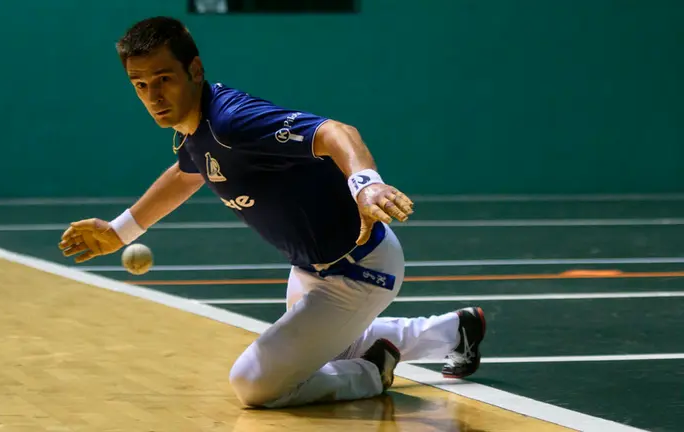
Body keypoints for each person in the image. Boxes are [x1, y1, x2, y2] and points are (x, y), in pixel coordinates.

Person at [58, 16, 486, 408]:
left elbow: (336, 132)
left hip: (358, 270)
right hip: (309, 271)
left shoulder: (232, 122)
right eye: (141, 84)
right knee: (327, 347)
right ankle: (454, 331)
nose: (154, 95)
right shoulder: (196, 130)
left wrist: (366, 182)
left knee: (255, 385)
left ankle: (373, 371)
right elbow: (187, 173)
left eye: (164, 78)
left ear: (195, 70)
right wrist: (120, 231)